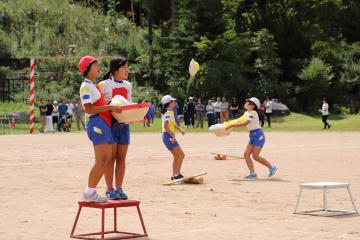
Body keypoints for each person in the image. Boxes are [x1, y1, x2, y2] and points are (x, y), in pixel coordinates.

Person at [79, 55, 122, 202]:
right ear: (87, 69)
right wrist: (110, 107)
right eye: (95, 65)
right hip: (97, 123)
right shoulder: (85, 86)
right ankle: (89, 192)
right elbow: (89, 108)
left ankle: (91, 192)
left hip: (104, 123)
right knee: (101, 161)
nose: (98, 67)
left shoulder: (93, 85)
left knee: (106, 160)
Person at [99, 56, 132, 200]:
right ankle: (109, 189)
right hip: (110, 124)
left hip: (124, 125)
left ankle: (119, 188)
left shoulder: (128, 85)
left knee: (121, 157)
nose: (127, 70)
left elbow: (129, 105)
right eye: (124, 67)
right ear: (114, 69)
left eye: (127, 67)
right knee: (110, 158)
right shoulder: (103, 84)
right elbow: (100, 105)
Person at [225, 97, 277, 179]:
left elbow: (245, 123)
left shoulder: (253, 113)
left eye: (248, 101)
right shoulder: (247, 113)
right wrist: (226, 126)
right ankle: (252, 173)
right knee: (246, 154)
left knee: (255, 156)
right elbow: (239, 121)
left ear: (252, 105)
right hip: (253, 135)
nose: (246, 102)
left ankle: (271, 167)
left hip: (258, 136)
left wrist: (231, 126)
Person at [161, 95, 185, 180]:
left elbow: (173, 123)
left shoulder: (170, 111)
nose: (174, 102)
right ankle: (176, 175)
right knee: (181, 155)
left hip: (167, 136)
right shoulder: (167, 112)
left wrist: (180, 129)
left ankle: (175, 174)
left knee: (177, 156)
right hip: (168, 136)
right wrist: (173, 135)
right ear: (169, 103)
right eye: (172, 101)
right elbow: (166, 126)